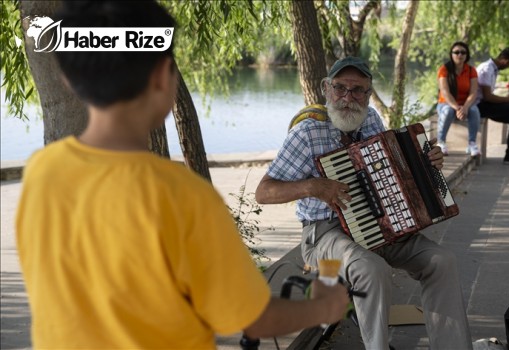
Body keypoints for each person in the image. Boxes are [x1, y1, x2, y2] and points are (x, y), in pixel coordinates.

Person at [15, 2, 349, 349]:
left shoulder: (42, 171)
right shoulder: (183, 196)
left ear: (67, 78)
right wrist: (323, 306)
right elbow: (253, 318)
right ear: (163, 77)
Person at [255, 56, 473, 350]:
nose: (348, 98)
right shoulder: (306, 133)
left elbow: (395, 169)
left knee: (442, 262)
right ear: (326, 88)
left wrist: (428, 162)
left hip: (380, 225)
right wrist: (312, 186)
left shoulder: (371, 119)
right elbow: (264, 192)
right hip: (325, 233)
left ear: (369, 95)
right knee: (372, 270)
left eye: (358, 90)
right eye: (340, 88)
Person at [436, 42, 482, 157]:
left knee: (474, 111)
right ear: (451, 54)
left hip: (466, 104)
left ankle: (472, 143)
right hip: (446, 103)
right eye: (456, 52)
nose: (459, 55)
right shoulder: (444, 70)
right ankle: (441, 142)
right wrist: (457, 108)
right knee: (448, 111)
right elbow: (445, 92)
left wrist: (465, 108)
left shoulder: (471, 70)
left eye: (463, 52)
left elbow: (473, 92)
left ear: (467, 55)